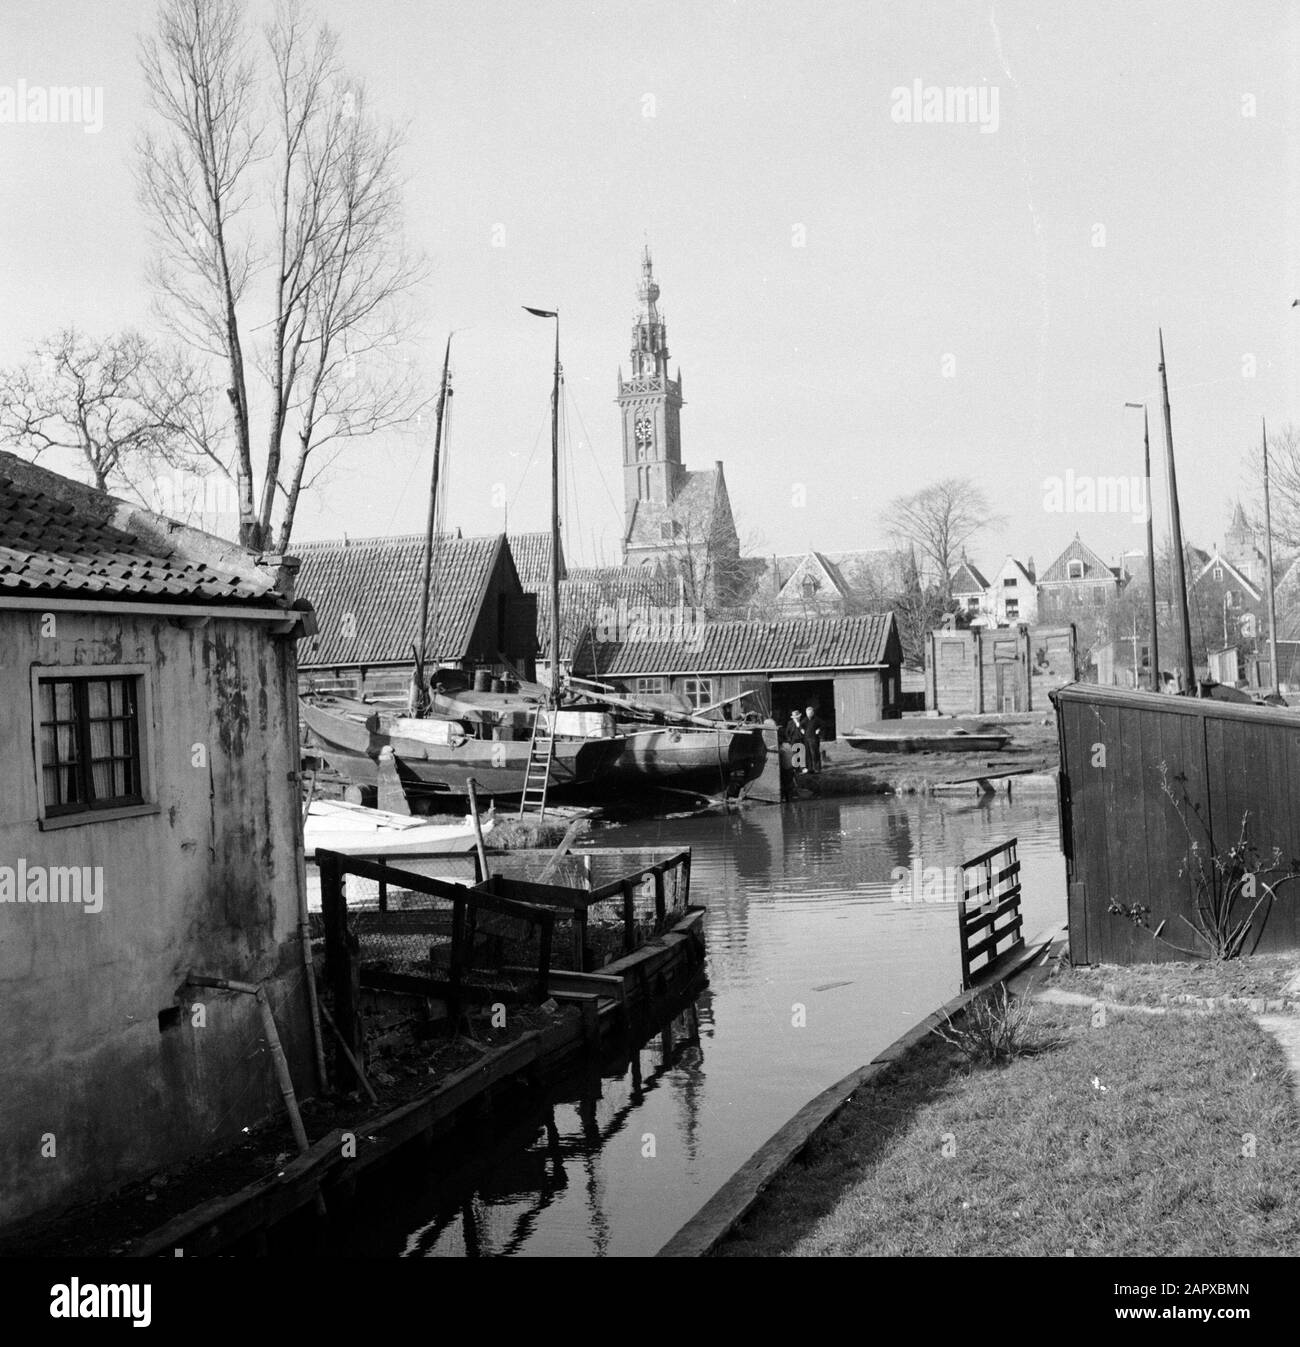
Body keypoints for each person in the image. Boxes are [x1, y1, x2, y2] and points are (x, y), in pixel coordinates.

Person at [802, 704, 824, 772]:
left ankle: (817, 768)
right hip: (806, 739)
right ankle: (810, 768)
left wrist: (819, 729)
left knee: (815, 753)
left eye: (810, 713)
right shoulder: (805, 719)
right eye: (807, 713)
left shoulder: (817, 719)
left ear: (813, 713)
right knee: (808, 754)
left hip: (814, 739)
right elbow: (800, 725)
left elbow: (823, 725)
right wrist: (801, 729)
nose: (809, 714)